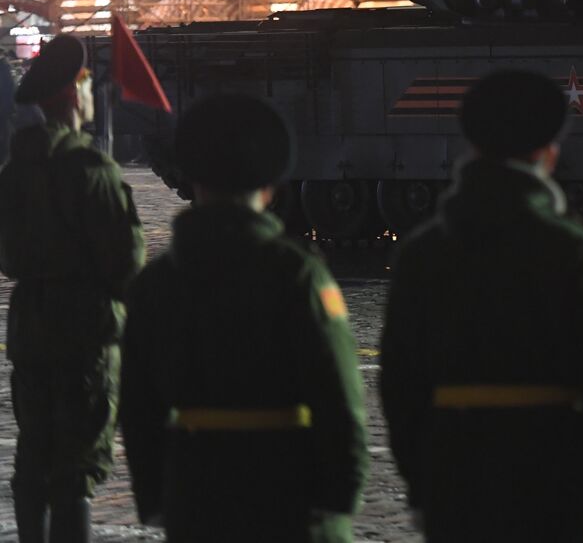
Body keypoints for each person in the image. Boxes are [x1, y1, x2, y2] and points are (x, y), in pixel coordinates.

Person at [381, 70, 583, 542]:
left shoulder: (422, 252)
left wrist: (422, 481)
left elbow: (400, 385)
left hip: (455, 472)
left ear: (471, 146)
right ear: (549, 153)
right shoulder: (576, 250)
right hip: (556, 470)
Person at [120, 94, 368, 542]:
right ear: (271, 183)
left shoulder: (154, 285)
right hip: (291, 497)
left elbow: (138, 410)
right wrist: (339, 499)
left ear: (191, 177)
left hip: (197, 500)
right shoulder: (298, 274)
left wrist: (158, 498)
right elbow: (339, 399)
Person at [0, 35, 145, 543]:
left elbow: (8, 255)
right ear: (72, 94)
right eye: (85, 84)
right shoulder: (90, 169)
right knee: (76, 465)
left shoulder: (14, 173)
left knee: (35, 454)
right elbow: (126, 262)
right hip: (85, 332)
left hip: (31, 328)